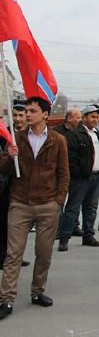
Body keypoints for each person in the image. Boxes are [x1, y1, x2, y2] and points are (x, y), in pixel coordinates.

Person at [0, 97, 69, 320]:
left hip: (47, 205)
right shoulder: (16, 138)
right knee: (13, 254)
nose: (27, 115)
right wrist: (9, 157)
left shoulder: (58, 141)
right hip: (20, 203)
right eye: (26, 111)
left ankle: (38, 291)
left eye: (32, 111)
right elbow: (4, 170)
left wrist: (58, 201)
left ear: (45, 115)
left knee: (44, 252)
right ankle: (6, 299)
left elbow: (63, 174)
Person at [57, 105, 99, 251]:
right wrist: (78, 174)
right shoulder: (74, 135)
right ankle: (64, 238)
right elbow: (70, 158)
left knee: (91, 209)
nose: (95, 119)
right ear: (84, 118)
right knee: (72, 209)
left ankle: (88, 236)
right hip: (80, 179)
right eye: (92, 117)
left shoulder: (98, 134)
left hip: (97, 177)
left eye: (97, 117)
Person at [1, 104, 32, 270]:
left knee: (20, 226)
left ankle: (15, 255)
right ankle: (3, 256)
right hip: (6, 184)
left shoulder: (31, 134)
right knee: (5, 223)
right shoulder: (4, 133)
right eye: (15, 115)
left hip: (25, 185)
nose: (18, 119)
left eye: (21, 115)